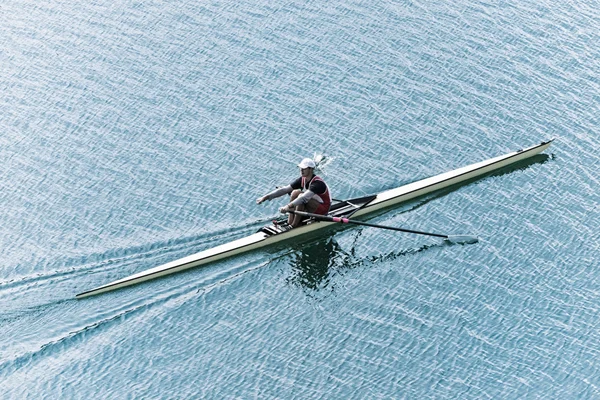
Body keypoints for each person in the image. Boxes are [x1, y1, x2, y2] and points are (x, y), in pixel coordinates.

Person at [257, 158, 332, 228]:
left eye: (304, 169)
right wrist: (265, 197)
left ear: (311, 169)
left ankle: (294, 225)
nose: (301, 170)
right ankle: (290, 222)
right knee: (294, 192)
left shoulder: (317, 183)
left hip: (323, 209)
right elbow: (285, 189)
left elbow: (303, 198)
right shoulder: (302, 179)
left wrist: (288, 207)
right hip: (312, 205)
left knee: (300, 196)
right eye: (300, 168)